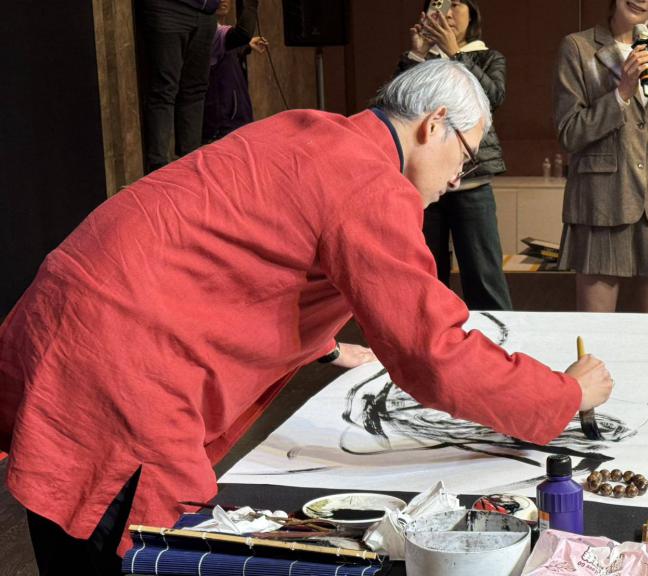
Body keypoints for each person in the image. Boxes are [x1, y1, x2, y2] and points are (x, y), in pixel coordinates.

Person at [0, 59, 613, 573]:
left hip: (62, 321)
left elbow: (242, 250)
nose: (458, 178)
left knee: (60, 511)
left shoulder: (310, 130)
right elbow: (432, 353)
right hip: (119, 367)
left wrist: (327, 345)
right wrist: (564, 395)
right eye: (467, 156)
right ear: (433, 125)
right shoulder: (370, 183)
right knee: (132, 550)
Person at [553, 0, 648, 313]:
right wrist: (621, 93)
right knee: (596, 333)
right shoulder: (578, 47)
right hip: (601, 205)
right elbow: (569, 132)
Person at [395, 0, 512, 310]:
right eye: (440, 3)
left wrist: (455, 54)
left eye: (456, 4)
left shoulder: (487, 57)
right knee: (427, 275)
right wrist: (417, 55)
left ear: (472, 14)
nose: (447, 12)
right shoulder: (423, 61)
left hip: (471, 180)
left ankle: (497, 338)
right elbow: (396, 107)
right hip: (423, 184)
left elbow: (492, 99)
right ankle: (432, 334)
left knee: (484, 277)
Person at [136, 0, 219, 173]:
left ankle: (190, 169)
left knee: (195, 90)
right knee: (164, 90)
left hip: (206, 13)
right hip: (169, 9)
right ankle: (158, 170)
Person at [202, 0, 267, 143]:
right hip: (222, 127)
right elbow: (240, 35)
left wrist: (246, 44)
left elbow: (229, 44)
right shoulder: (209, 31)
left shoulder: (220, 32)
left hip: (235, 121)